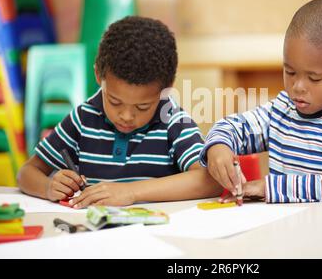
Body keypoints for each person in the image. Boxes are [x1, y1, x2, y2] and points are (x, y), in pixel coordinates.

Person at [200, 0, 322, 204]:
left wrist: (269, 187)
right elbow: (233, 127)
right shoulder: (283, 109)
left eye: (314, 78)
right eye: (290, 72)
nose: (298, 86)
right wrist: (219, 146)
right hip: (288, 231)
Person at [18, 16, 222, 208]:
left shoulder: (172, 121)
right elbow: (27, 172)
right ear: (98, 75)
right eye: (114, 101)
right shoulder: (84, 118)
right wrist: (48, 187)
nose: (126, 116)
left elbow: (209, 180)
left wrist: (130, 192)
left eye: (142, 107)